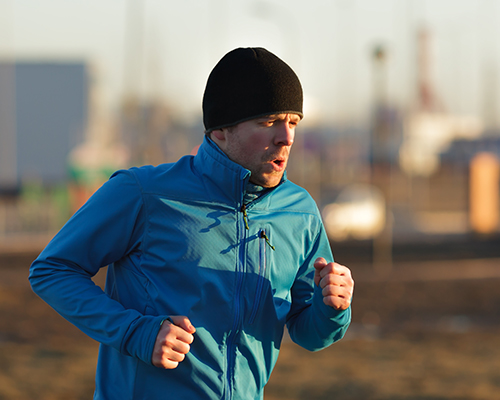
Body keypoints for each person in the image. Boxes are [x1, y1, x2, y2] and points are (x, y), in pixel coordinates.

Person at [29, 47, 353, 399]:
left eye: (292, 122)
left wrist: (332, 307)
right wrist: (136, 332)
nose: (286, 138)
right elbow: (52, 269)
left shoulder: (299, 211)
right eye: (268, 121)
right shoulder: (144, 193)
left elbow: (309, 333)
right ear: (221, 130)